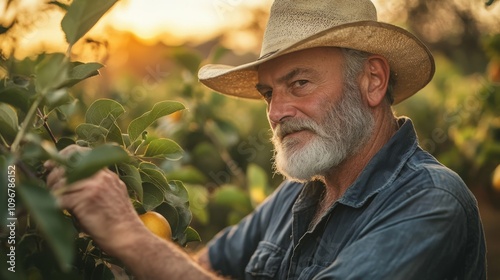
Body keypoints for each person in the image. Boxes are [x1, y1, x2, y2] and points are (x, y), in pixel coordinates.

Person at [45, 0, 487, 279]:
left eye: (299, 84)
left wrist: (128, 233)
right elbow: (204, 266)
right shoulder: (298, 196)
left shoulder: (430, 202)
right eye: (269, 93)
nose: (276, 113)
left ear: (373, 81)